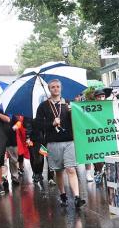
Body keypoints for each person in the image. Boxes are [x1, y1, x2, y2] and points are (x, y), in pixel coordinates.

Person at [34, 79, 84, 208]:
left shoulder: (68, 103)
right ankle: (63, 195)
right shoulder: (43, 106)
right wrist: (52, 123)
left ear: (61, 88)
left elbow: (78, 121)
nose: (55, 89)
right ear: (49, 89)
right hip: (53, 142)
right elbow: (38, 125)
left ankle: (77, 197)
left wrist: (73, 113)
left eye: (57, 87)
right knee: (59, 171)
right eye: (52, 87)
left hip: (69, 140)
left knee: (71, 168)